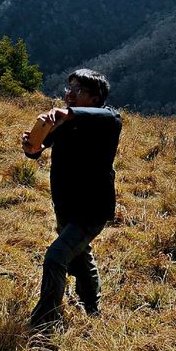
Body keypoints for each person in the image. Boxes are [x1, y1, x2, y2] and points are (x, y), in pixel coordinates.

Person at [22, 68, 122, 331]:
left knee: (56, 257)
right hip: (66, 205)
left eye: (77, 90)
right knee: (79, 256)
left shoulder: (108, 122)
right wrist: (32, 148)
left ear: (94, 97)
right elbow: (39, 149)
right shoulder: (65, 123)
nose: (69, 94)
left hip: (92, 210)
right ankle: (92, 307)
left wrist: (69, 113)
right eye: (69, 89)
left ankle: (44, 323)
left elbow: (108, 116)